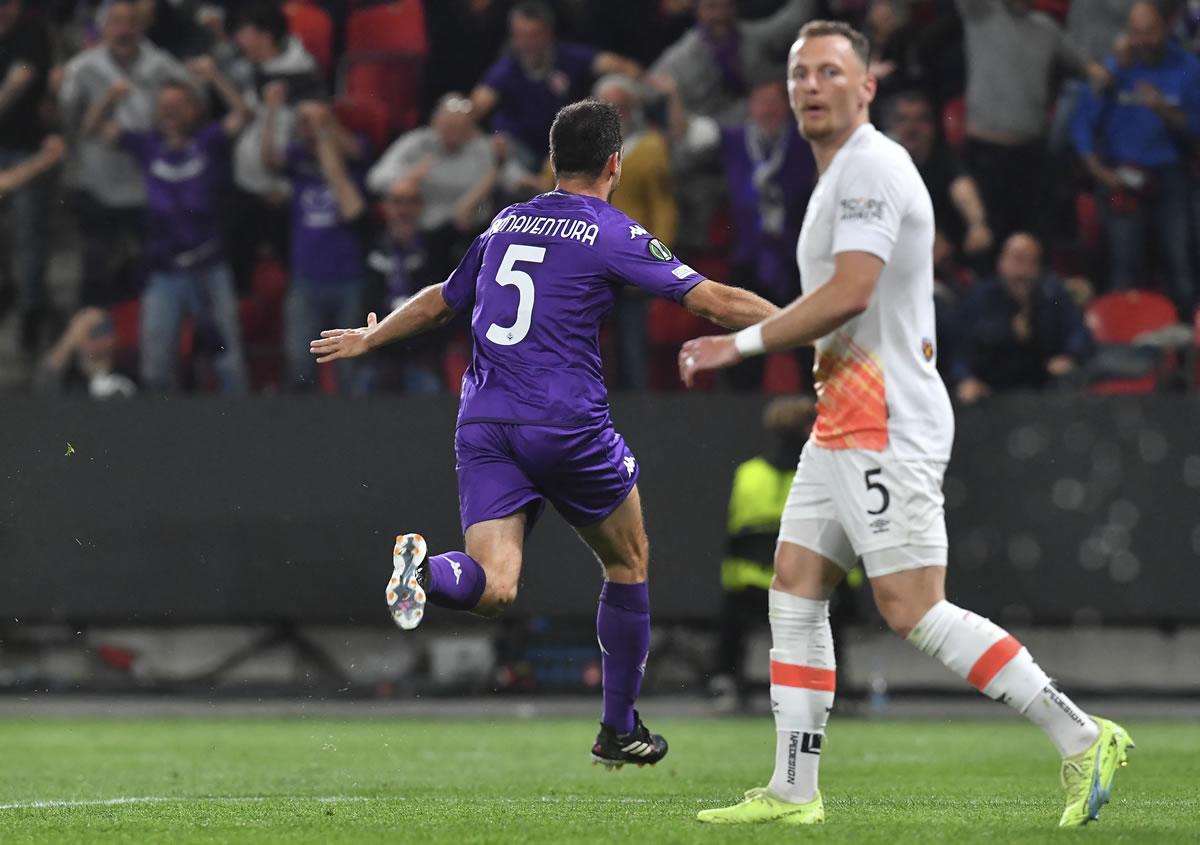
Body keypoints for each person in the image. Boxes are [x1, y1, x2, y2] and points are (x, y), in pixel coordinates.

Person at [682, 21, 1133, 828]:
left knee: (913, 608)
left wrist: (740, 344)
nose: (811, 86)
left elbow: (853, 289)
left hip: (884, 416)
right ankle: (793, 787)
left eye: (829, 71)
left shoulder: (871, 169)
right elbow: (837, 313)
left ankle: (1082, 732)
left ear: (867, 87)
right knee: (794, 585)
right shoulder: (836, 176)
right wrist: (770, 326)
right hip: (844, 412)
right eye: (800, 74)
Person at [308, 99, 779, 769]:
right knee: (628, 559)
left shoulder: (503, 221)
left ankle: (426, 572)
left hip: (484, 424)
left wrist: (371, 335)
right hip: (565, 423)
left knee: (495, 587)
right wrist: (795, 324)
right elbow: (712, 300)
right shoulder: (611, 231)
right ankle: (618, 726)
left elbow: (443, 298)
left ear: (554, 161)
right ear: (615, 163)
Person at [89, 56, 250, 394]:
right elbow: (92, 128)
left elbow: (242, 115)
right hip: (164, 269)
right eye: (165, 105)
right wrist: (110, 98)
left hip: (209, 267)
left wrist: (215, 76)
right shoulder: (147, 146)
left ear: (195, 109)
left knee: (228, 360)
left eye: (179, 104)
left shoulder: (208, 140)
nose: (171, 111)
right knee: (156, 362)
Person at [59, 0, 191, 306]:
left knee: (149, 269)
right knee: (96, 270)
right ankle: (91, 339)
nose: (123, 30)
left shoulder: (161, 63)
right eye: (115, 22)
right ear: (103, 28)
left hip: (148, 185)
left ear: (140, 26)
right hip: (97, 184)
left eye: (130, 22)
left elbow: (189, 106)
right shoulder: (81, 68)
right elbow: (69, 123)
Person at [1072, 1, 1200, 312]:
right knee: (1125, 266)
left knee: (1179, 265)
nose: (1142, 40)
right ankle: (1122, 347)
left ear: (1165, 30)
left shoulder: (1186, 66)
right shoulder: (1116, 68)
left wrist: (1163, 110)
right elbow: (1082, 127)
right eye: (1136, 33)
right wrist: (1100, 173)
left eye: (1150, 33)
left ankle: (1185, 350)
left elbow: (1196, 126)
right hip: (1120, 178)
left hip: (1169, 176)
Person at [955, 0, 1109, 245]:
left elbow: (1087, 68)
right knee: (991, 240)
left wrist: (1106, 72)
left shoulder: (1046, 28)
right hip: (987, 151)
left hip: (1031, 153)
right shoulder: (981, 13)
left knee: (1035, 240)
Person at [264, 95, 369, 393]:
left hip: (348, 276)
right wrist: (271, 112)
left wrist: (325, 130)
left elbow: (351, 152)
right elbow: (269, 159)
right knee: (299, 361)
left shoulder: (353, 155)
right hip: (306, 277)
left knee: (349, 366)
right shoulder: (299, 157)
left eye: (316, 120)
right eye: (304, 122)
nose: (309, 128)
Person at [470, 1, 642, 167]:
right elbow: (475, 107)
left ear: (549, 33)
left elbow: (620, 66)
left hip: (567, 147)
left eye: (534, 35)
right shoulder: (506, 69)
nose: (527, 43)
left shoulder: (569, 57)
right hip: (521, 152)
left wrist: (639, 80)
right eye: (520, 35)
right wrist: (487, 140)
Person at [950, 232, 1094, 403]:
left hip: (1043, 386)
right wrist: (964, 378)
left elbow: (1077, 330)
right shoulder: (980, 297)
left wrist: (1070, 355)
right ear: (1001, 263)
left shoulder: (1051, 292)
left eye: (1031, 262)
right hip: (992, 389)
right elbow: (958, 346)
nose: (1023, 270)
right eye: (1017, 260)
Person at [366, 92, 497, 279]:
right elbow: (375, 179)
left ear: (470, 127)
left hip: (468, 237)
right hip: (421, 237)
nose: (453, 133)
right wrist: (409, 177)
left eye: (459, 127)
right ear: (436, 121)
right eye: (448, 126)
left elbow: (509, 177)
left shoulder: (482, 148)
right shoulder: (416, 144)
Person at [887, 89, 993, 272]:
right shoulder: (885, 163)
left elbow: (963, 189)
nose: (912, 128)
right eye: (903, 120)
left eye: (920, 120)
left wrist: (977, 225)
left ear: (932, 127)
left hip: (945, 261)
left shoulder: (945, 162)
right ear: (894, 127)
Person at [0, 0, 55, 351]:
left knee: (27, 235)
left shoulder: (32, 33)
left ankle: (30, 310)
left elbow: (21, 81)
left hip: (24, 147)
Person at [34, 307, 137, 398]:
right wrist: (68, 341)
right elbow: (43, 388)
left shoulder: (128, 377)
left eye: (105, 332)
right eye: (92, 334)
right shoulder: (69, 382)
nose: (101, 343)